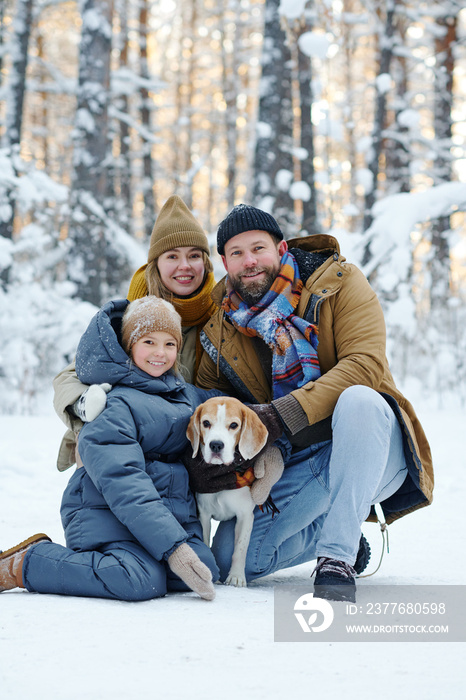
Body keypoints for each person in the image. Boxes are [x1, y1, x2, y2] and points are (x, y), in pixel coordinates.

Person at [189, 203, 434, 602]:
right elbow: (210, 400)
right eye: (237, 253)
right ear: (224, 262)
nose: (249, 261)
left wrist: (282, 415)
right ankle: (341, 529)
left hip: (371, 445)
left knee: (359, 400)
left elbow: (366, 365)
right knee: (231, 557)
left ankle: (336, 558)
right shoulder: (221, 326)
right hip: (300, 460)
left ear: (281, 247)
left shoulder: (340, 282)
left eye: (258, 248)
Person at [0, 296, 221, 601]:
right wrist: (173, 547)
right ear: (129, 345)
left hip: (160, 518)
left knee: (205, 568)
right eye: (148, 342)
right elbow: (123, 481)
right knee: (138, 580)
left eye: (170, 344)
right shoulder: (114, 403)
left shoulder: (186, 395)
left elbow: (235, 410)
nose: (160, 353)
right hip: (105, 512)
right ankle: (28, 563)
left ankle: (156, 551)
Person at [53, 194, 217, 473]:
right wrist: (87, 412)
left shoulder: (219, 317)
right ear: (156, 264)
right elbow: (71, 376)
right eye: (172, 256)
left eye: (194, 255)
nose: (185, 266)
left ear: (206, 262)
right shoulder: (133, 315)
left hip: (186, 441)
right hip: (127, 436)